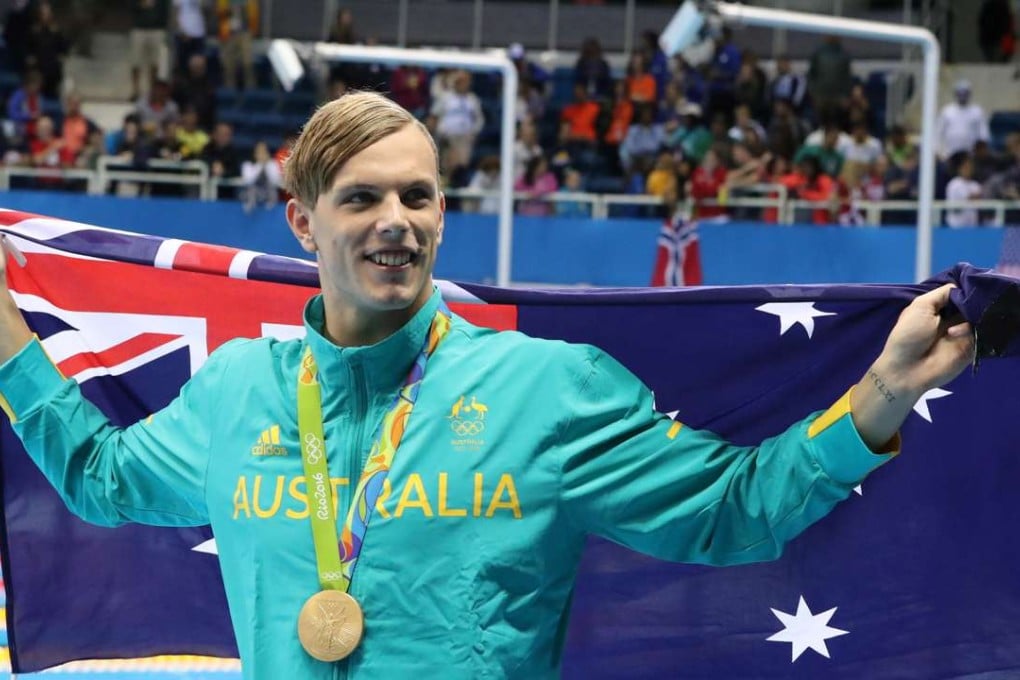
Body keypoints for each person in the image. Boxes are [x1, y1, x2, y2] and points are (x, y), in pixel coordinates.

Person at [0, 91, 974, 679]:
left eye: (418, 196)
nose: (398, 221)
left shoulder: (544, 389)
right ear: (303, 224)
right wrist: (7, 335)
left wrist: (881, 391)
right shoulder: (239, 387)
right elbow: (100, 478)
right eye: (363, 198)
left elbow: (735, 510)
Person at [936, 80, 990, 161]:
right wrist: (938, 151)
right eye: (960, 93)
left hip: (970, 155)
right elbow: (938, 132)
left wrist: (981, 151)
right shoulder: (947, 111)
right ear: (956, 94)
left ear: (969, 94)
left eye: (965, 93)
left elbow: (983, 134)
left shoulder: (977, 111)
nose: (962, 96)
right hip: (949, 154)